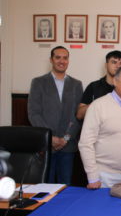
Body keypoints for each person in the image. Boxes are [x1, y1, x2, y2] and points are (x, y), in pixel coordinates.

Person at [28, 46, 83, 185]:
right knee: (46, 185)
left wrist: (65, 138)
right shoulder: (38, 82)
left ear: (68, 61)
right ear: (51, 60)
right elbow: (34, 113)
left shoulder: (77, 84)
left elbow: (78, 115)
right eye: (58, 57)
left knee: (66, 185)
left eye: (65, 58)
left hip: (68, 145)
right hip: (46, 145)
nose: (61, 61)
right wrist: (50, 137)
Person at [76, 50, 121, 120]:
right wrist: (98, 104)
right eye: (114, 62)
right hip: (98, 129)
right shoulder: (93, 86)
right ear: (106, 65)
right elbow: (79, 115)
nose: (118, 66)